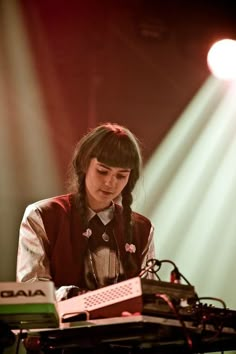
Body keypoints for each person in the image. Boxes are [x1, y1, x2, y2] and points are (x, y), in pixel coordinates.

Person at [16, 122, 155, 302]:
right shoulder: (43, 215)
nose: (110, 183)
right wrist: (79, 297)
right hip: (60, 328)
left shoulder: (142, 228)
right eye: (102, 171)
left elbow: (149, 298)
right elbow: (31, 290)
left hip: (124, 330)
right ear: (84, 164)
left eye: (121, 176)